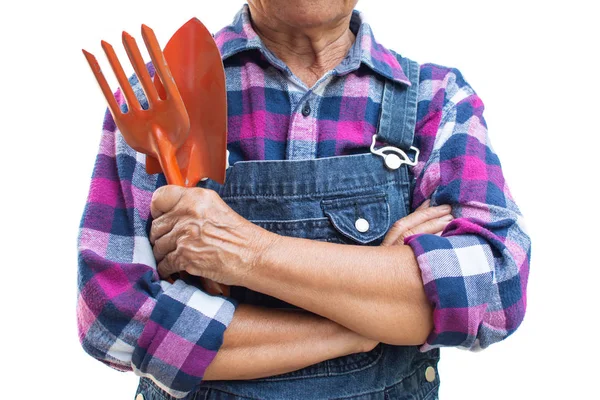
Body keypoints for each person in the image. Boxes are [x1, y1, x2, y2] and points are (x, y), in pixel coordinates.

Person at [76, 1, 531, 399]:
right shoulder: (157, 97)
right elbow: (112, 315)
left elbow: (494, 291)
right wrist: (364, 325)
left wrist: (244, 252)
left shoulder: (437, 99)